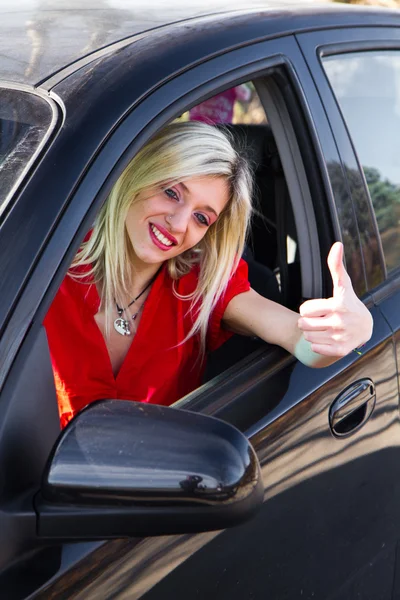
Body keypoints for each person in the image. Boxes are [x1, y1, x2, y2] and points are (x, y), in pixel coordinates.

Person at [44, 121, 373, 428]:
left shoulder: (201, 283)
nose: (178, 224)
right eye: (171, 193)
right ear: (137, 175)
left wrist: (355, 329)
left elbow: (299, 339)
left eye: (202, 218)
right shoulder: (48, 264)